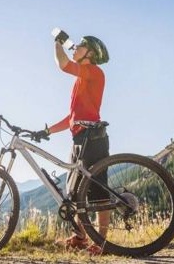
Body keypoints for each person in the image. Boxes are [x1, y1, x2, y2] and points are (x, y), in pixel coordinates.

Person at [33, 31, 110, 255]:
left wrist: (57, 42)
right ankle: (80, 237)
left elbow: (63, 64)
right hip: (79, 138)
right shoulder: (81, 80)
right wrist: (47, 130)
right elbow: (71, 118)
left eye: (80, 46)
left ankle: (101, 242)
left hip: (93, 137)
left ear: (91, 53)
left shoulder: (95, 72)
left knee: (98, 191)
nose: (75, 48)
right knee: (75, 193)